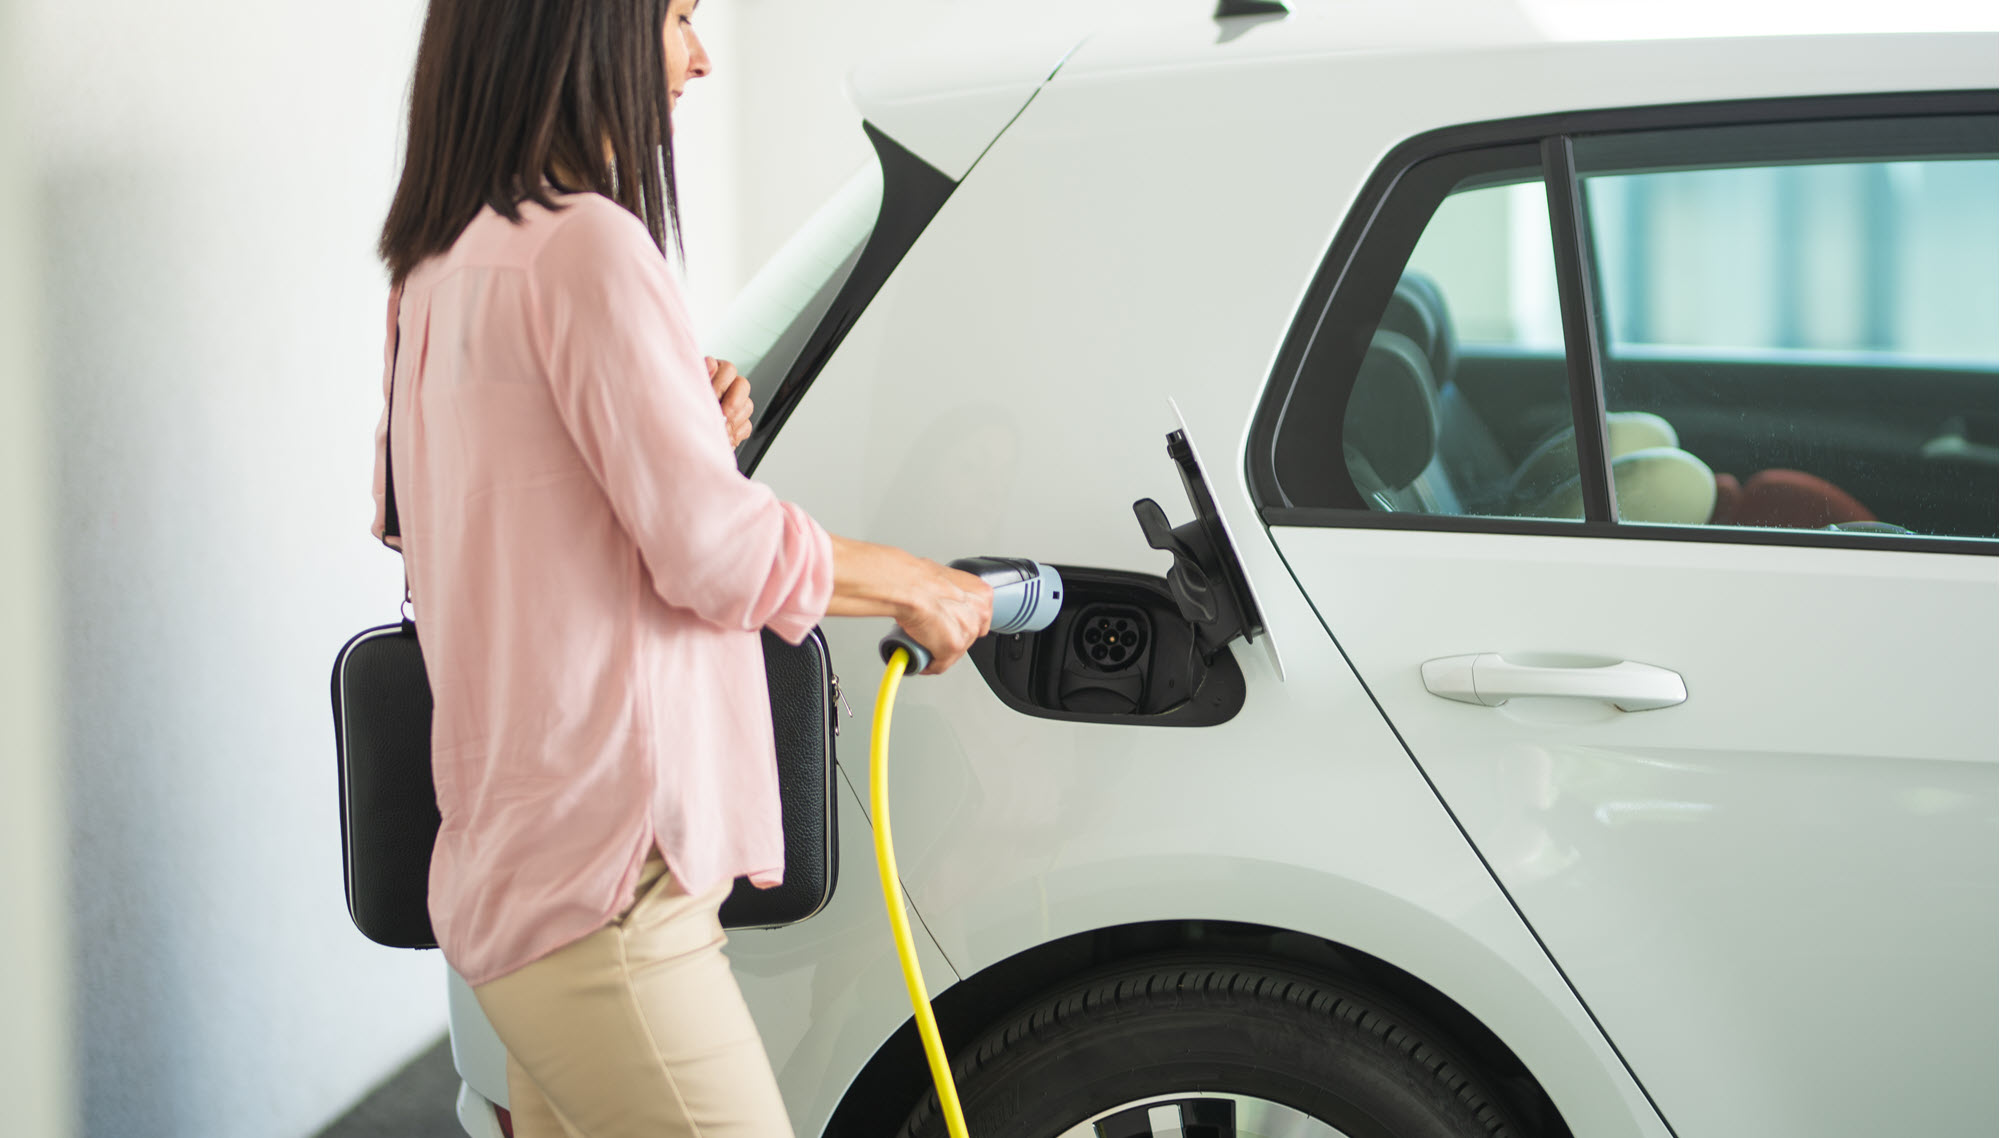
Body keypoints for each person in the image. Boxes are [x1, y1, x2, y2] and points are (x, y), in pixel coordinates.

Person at [369, 1, 993, 1134]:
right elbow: (713, 552)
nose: (698, 56)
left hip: (516, 882)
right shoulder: (587, 247)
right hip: (611, 898)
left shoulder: (436, 270)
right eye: (674, 15)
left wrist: (683, 439)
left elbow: (482, 534)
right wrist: (918, 582)